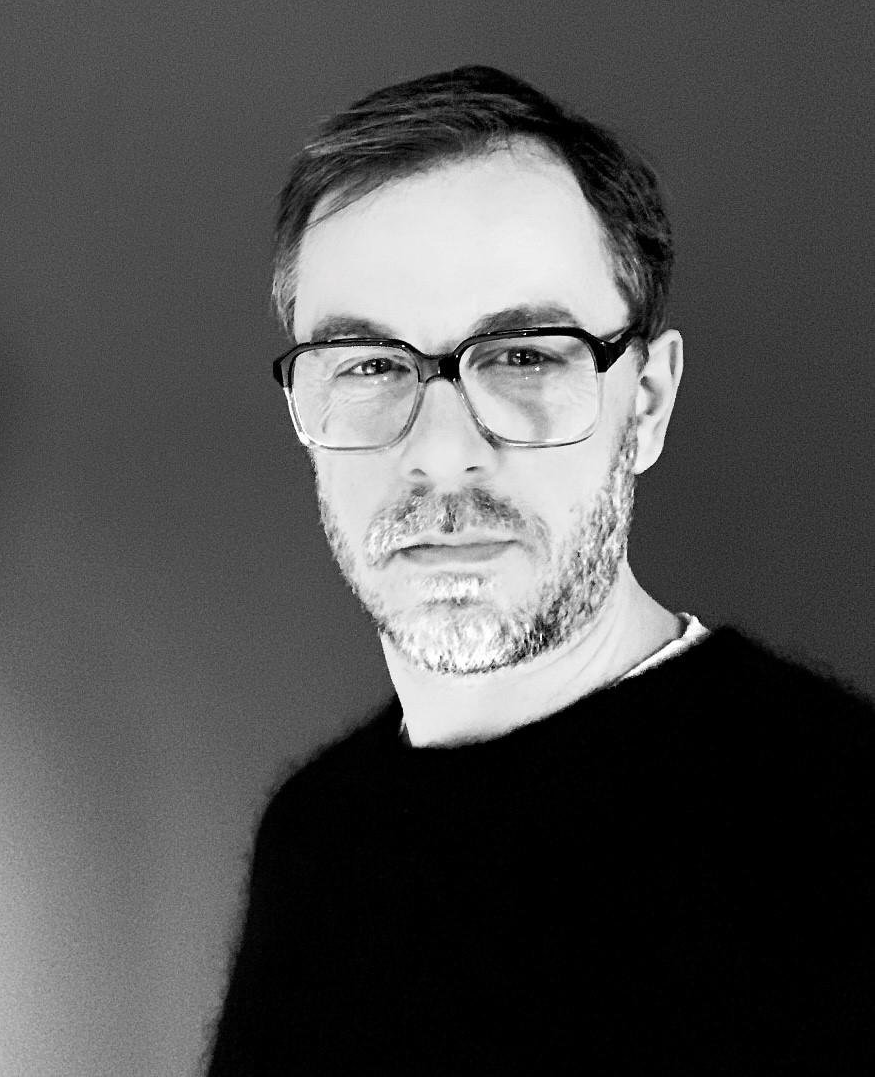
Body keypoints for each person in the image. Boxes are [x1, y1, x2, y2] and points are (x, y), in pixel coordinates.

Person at [203, 66, 874, 1075]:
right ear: (304, 410)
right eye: (370, 365)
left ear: (646, 403)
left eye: (523, 356)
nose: (441, 454)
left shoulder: (842, 828)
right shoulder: (316, 835)